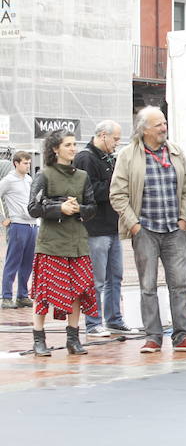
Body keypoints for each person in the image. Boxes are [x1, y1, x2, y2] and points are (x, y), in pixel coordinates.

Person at [109, 106, 186, 354]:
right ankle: (153, 337)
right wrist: (134, 225)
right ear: (144, 130)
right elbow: (117, 195)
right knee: (148, 286)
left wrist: (184, 219)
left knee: (180, 284)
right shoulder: (128, 155)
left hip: (174, 230)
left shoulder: (175, 152)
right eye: (158, 124)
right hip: (145, 231)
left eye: (164, 123)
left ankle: (183, 336)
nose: (164, 128)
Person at [27, 130, 98, 356]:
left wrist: (79, 209)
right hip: (51, 244)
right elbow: (33, 208)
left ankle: (73, 338)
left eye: (74, 144)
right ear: (55, 149)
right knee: (44, 293)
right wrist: (59, 208)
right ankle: (39, 339)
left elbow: (92, 207)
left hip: (77, 243)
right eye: (68, 145)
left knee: (78, 291)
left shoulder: (82, 176)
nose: (73, 148)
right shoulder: (44, 174)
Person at [73, 120, 139, 338]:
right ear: (103, 135)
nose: (117, 144)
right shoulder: (85, 158)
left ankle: (114, 319)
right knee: (96, 279)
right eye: (115, 139)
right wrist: (116, 184)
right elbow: (88, 191)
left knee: (115, 276)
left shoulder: (107, 158)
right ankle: (93, 322)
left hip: (112, 226)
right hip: (95, 228)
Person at [0, 151, 38, 309]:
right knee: (13, 261)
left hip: (32, 225)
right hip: (17, 225)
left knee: (28, 262)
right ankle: (6, 296)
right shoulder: (8, 181)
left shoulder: (29, 180)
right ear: (16, 163)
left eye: (29, 163)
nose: (28, 165)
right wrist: (3, 219)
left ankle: (22, 295)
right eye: (24, 163)